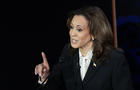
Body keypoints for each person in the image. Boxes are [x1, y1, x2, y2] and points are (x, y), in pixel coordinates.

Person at [34, 6, 134, 90]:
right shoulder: (68, 52)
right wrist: (45, 77)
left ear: (94, 33)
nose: (72, 33)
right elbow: (54, 84)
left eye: (79, 29)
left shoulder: (114, 59)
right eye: (71, 27)